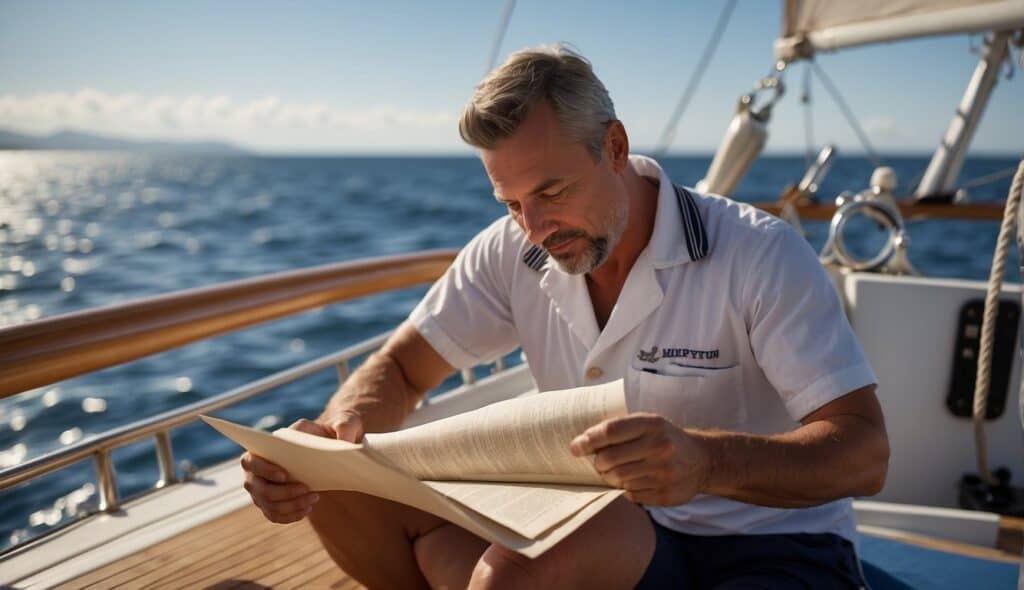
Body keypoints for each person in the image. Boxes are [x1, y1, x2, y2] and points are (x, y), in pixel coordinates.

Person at [240, 45, 889, 589]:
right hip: (619, 526)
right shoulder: (511, 247)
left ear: (614, 146)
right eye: (513, 203)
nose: (537, 227)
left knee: (500, 576)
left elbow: (863, 454)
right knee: (339, 498)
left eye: (552, 192)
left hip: (772, 544)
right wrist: (333, 437)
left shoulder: (758, 252)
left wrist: (707, 462)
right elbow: (403, 368)